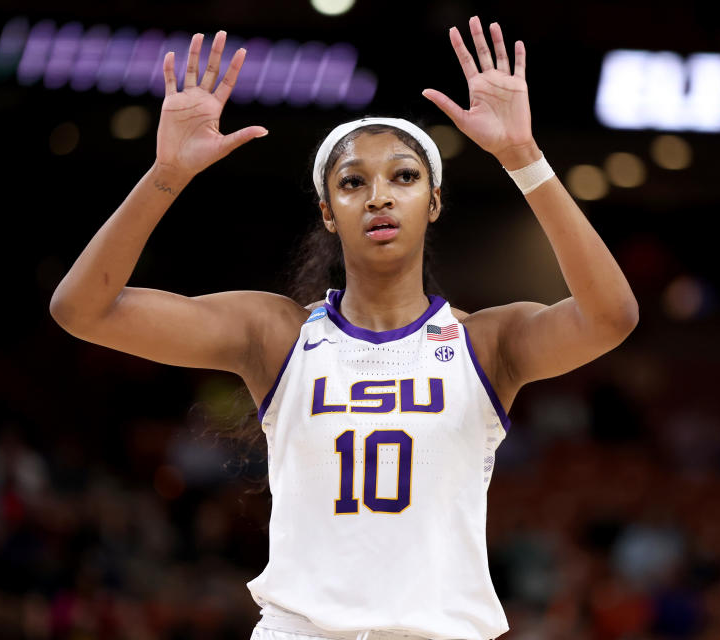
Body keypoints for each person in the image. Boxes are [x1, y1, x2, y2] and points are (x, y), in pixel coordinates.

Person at [49, 15, 639, 640]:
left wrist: (524, 160)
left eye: (404, 177)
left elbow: (611, 316)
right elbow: (80, 309)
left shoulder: (486, 343)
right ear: (329, 214)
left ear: (433, 202)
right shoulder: (274, 335)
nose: (379, 196)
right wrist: (166, 174)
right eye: (353, 182)